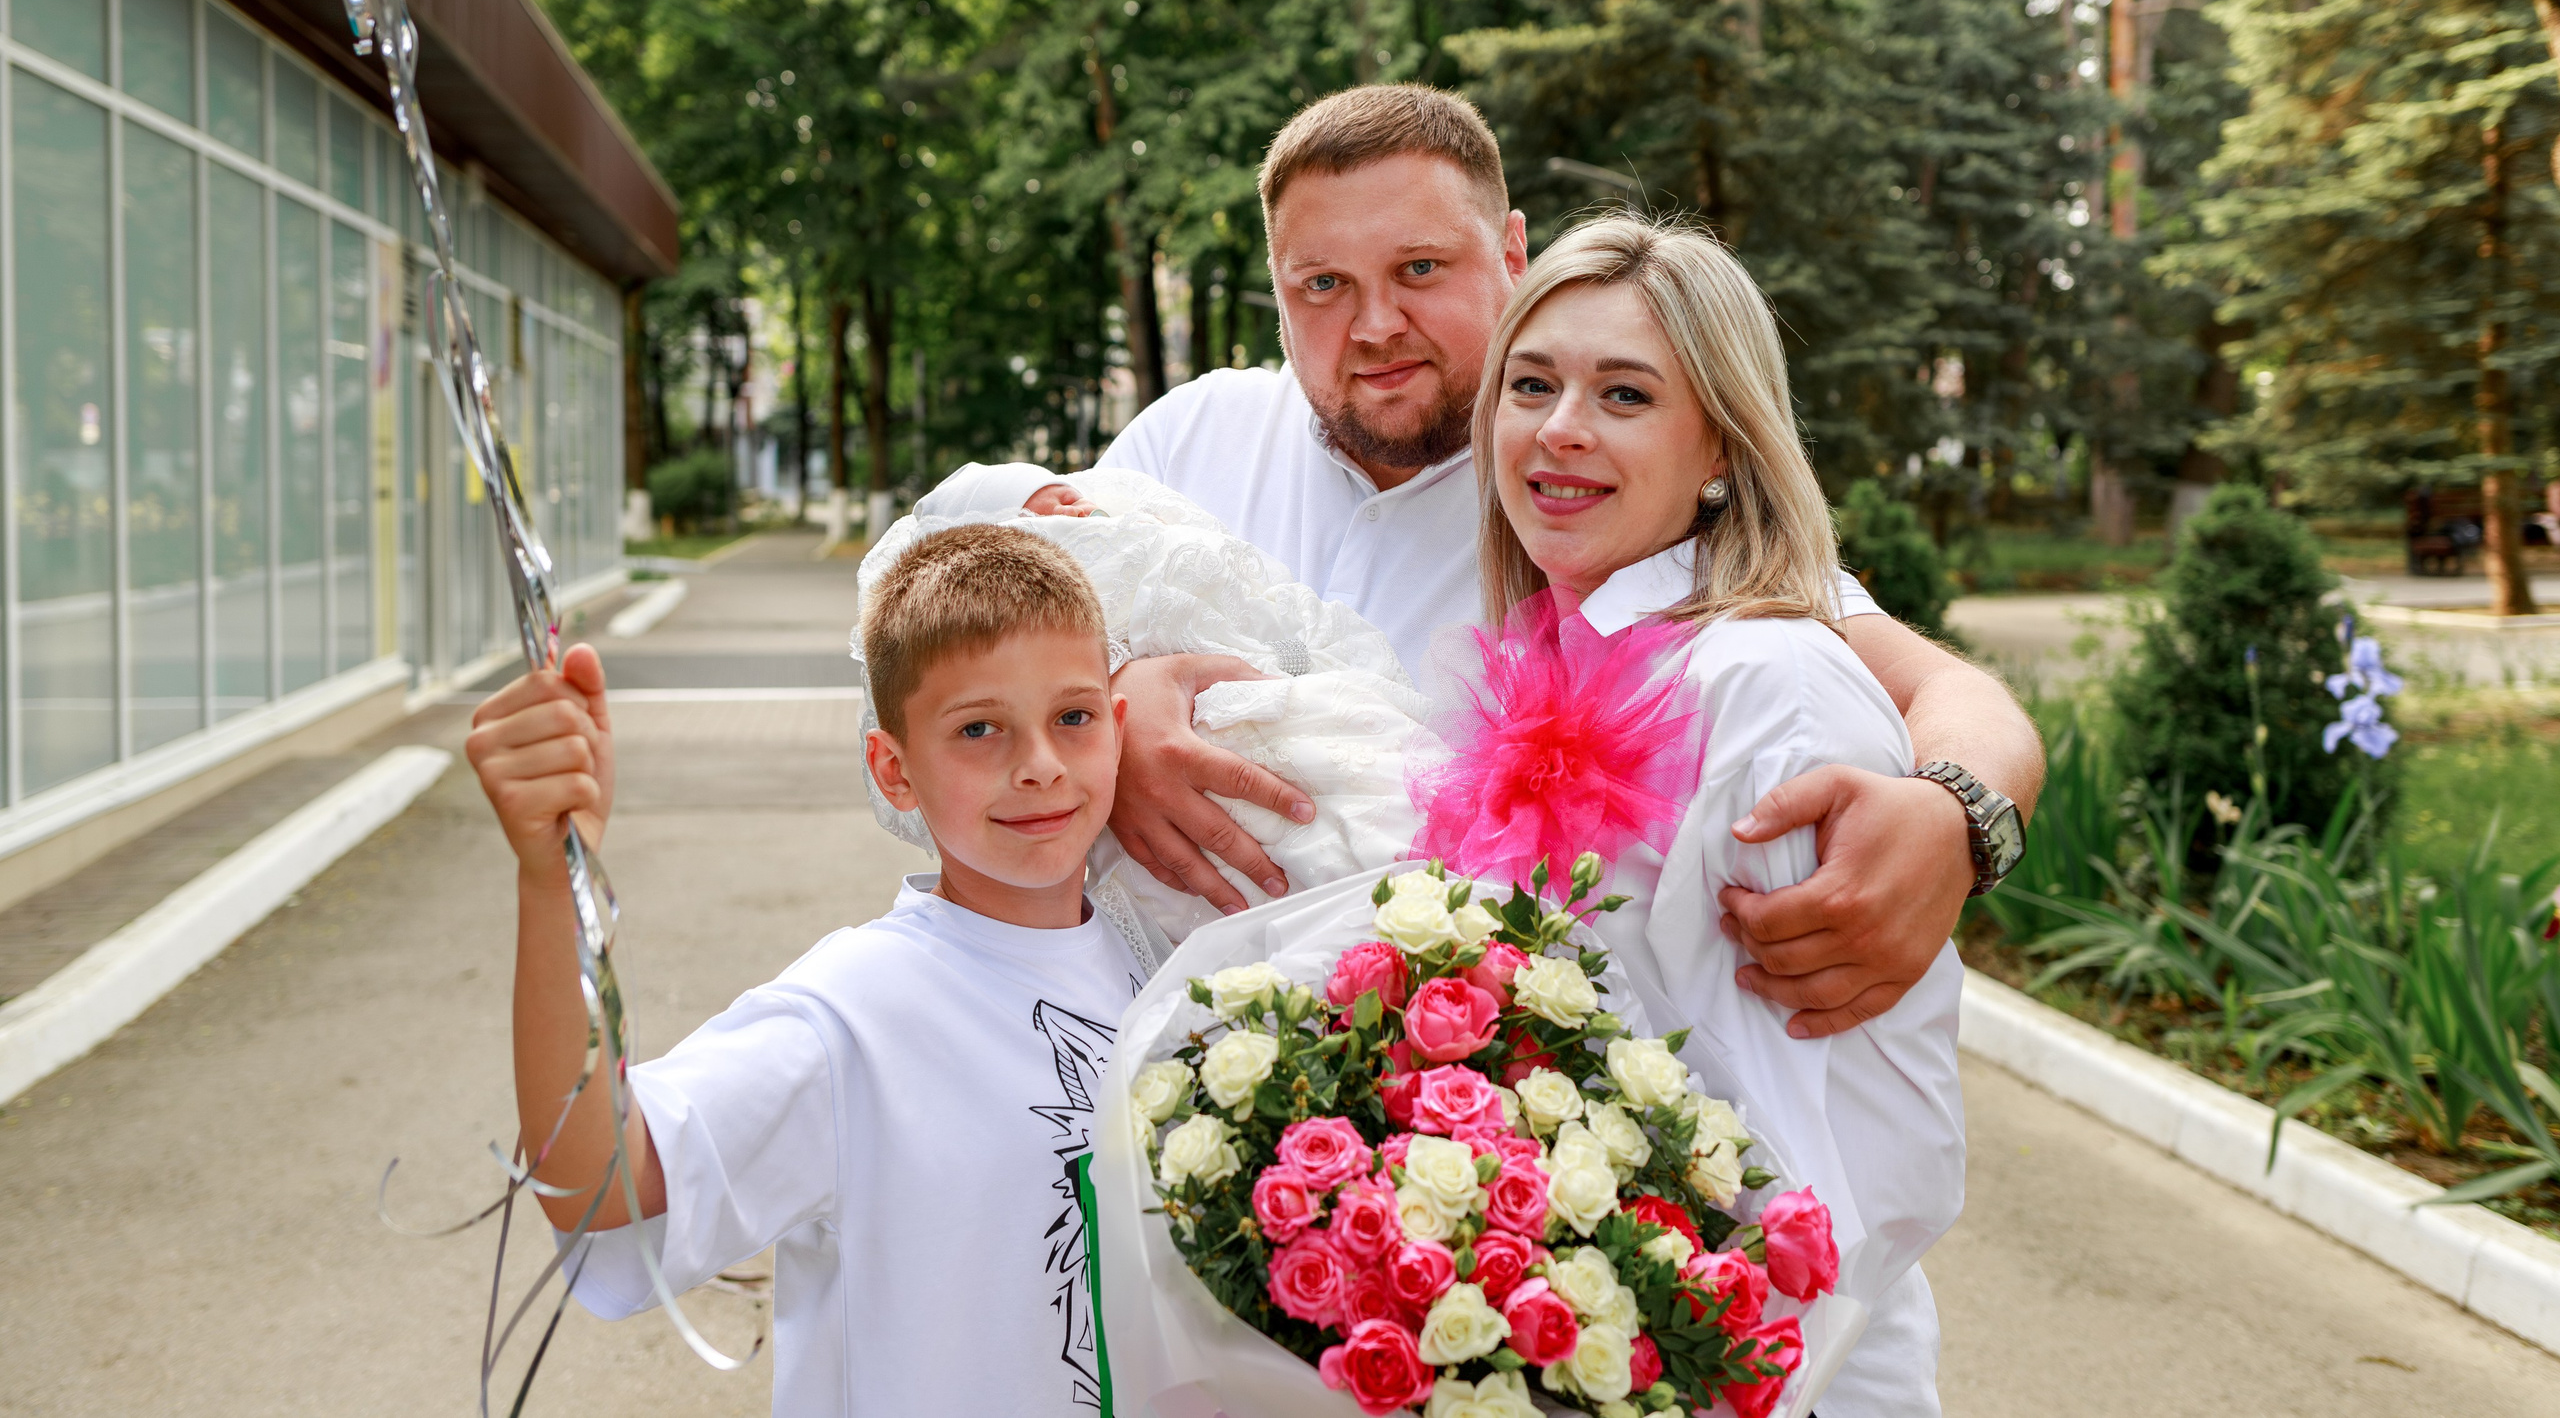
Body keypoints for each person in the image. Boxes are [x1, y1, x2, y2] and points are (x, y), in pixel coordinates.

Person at [1099, 85, 2041, 1040]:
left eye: (1419, 267)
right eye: (1323, 284)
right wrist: (1111, 708)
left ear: (1512, 253)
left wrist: (1954, 819)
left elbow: (1949, 691)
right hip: (1123, 1041)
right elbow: (973, 636)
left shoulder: (1603, 503)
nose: (1376, 323)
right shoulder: (1190, 439)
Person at [1440, 213, 1968, 1416]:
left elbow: (1827, 1154)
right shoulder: (1555, 661)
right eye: (1532, 384)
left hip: (1753, 1373)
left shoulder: (1765, 689)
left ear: (1722, 450)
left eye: (1623, 394)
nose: (1560, 427)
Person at [464, 525, 1145, 1414]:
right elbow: (599, 1185)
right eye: (979, 727)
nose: (1040, 766)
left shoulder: (1165, 958)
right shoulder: (852, 1016)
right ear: (893, 769)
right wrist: (552, 882)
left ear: (1117, 727)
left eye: (1073, 717)